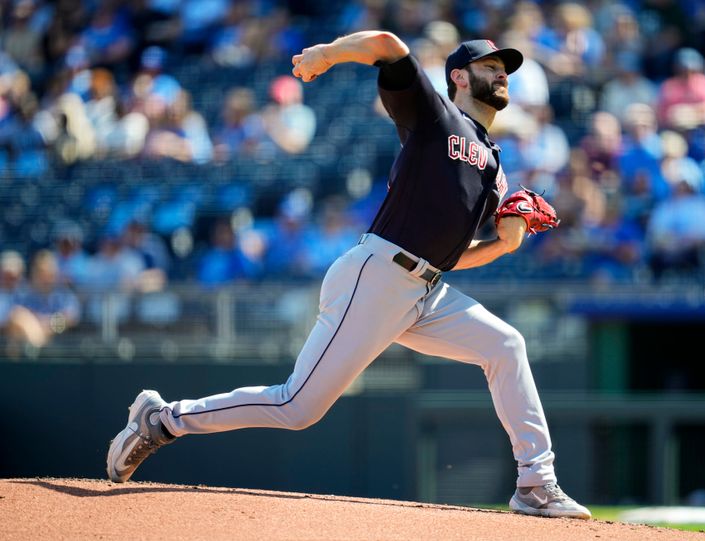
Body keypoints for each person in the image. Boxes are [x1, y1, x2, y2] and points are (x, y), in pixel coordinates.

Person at [106, 31, 591, 519]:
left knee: (506, 345)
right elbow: (386, 42)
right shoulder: (437, 118)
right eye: (489, 65)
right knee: (296, 408)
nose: (501, 72)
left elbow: (449, 255)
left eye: (504, 67)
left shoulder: (495, 168)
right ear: (459, 77)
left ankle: (535, 483)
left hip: (424, 288)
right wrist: (327, 54)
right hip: (377, 274)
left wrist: (504, 245)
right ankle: (163, 419)